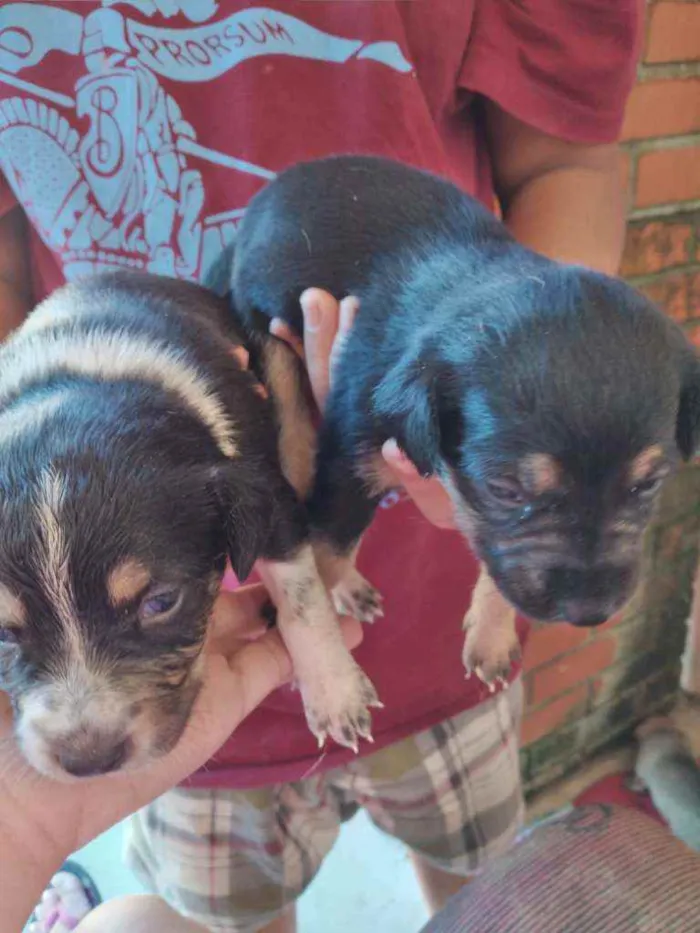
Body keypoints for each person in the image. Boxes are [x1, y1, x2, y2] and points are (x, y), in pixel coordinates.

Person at [0, 2, 640, 931]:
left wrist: (514, 395)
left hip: (431, 593)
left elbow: (564, 159)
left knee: (481, 887)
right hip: (196, 678)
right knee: (234, 913)